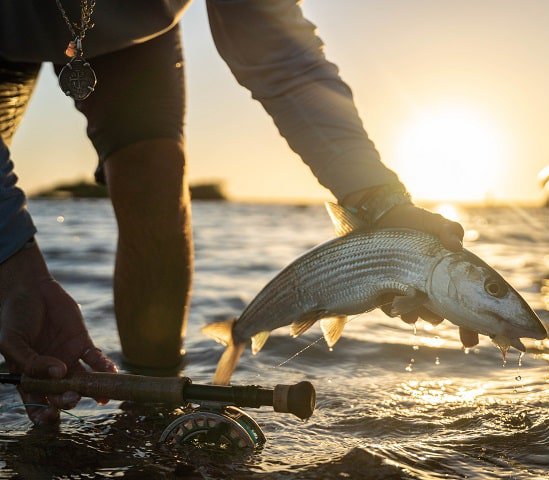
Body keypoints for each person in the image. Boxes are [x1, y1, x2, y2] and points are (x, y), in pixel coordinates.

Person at [0, 0, 473, 425]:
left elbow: (286, 63)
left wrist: (381, 201)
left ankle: (152, 406)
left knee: (157, 174)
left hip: (130, 36)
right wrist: (17, 267)